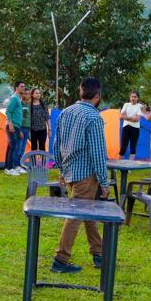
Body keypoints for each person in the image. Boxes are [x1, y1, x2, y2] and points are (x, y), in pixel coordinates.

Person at [53, 77, 111, 273]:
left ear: (80, 91)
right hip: (86, 174)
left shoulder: (66, 112)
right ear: (98, 95)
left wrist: (61, 169)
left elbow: (56, 144)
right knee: (75, 215)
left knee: (88, 213)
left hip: (70, 171)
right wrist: (105, 181)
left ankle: (99, 253)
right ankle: (61, 259)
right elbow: (98, 153)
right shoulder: (94, 118)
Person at [4, 82, 27, 175]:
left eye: (24, 87)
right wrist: (10, 124)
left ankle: (8, 167)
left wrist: (19, 129)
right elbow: (8, 111)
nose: (23, 88)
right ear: (16, 88)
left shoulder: (18, 98)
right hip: (12, 126)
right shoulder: (14, 98)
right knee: (12, 146)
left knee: (10, 147)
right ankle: (9, 168)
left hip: (17, 126)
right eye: (21, 86)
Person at [119, 91, 143, 160]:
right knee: (123, 147)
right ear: (129, 97)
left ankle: (130, 166)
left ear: (137, 98)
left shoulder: (140, 106)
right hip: (126, 128)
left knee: (133, 147)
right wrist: (131, 118)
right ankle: (119, 165)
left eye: (135, 97)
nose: (133, 98)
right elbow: (121, 116)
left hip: (135, 128)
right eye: (132, 96)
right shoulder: (126, 105)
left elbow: (137, 119)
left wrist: (126, 117)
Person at [28, 88, 50, 153]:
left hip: (42, 129)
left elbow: (47, 117)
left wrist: (49, 129)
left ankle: (43, 163)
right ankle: (33, 163)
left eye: (39, 93)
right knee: (33, 147)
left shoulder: (43, 104)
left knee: (42, 147)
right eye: (36, 93)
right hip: (33, 130)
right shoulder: (29, 105)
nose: (38, 94)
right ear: (32, 95)